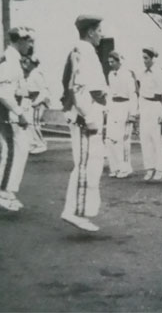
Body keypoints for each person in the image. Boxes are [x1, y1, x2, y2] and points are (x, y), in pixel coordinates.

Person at [60, 15, 108, 231]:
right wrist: (88, 118)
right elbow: (77, 87)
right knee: (85, 164)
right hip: (84, 116)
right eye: (99, 30)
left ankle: (82, 211)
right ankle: (75, 211)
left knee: (93, 163)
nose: (102, 34)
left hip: (92, 111)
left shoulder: (86, 51)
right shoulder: (82, 51)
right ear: (90, 32)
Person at [0, 27, 34, 211]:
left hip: (16, 112)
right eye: (29, 41)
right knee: (12, 152)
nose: (30, 45)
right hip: (10, 115)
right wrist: (19, 113)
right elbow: (3, 94)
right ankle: (0, 190)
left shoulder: (14, 60)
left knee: (20, 151)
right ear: (19, 41)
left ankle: (8, 190)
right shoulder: (9, 62)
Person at [136, 47, 162, 181]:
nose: (144, 61)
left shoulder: (160, 73)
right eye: (143, 58)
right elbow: (140, 93)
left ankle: (160, 169)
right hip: (145, 107)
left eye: (146, 58)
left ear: (152, 59)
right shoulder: (141, 73)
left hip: (156, 106)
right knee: (145, 138)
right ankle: (149, 168)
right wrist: (139, 110)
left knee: (158, 139)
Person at [105, 51, 137, 179]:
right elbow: (110, 92)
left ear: (119, 61)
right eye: (109, 62)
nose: (111, 64)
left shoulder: (127, 74)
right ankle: (115, 167)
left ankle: (125, 168)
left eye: (113, 62)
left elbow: (133, 94)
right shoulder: (110, 75)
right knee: (110, 139)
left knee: (122, 140)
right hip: (113, 107)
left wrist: (133, 113)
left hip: (125, 106)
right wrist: (108, 109)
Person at [23, 55, 50, 154]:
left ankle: (41, 144)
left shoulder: (36, 74)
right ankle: (33, 143)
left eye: (27, 62)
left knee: (34, 124)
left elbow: (44, 90)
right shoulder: (32, 74)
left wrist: (37, 102)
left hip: (37, 101)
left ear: (32, 63)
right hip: (32, 100)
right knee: (30, 123)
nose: (26, 65)